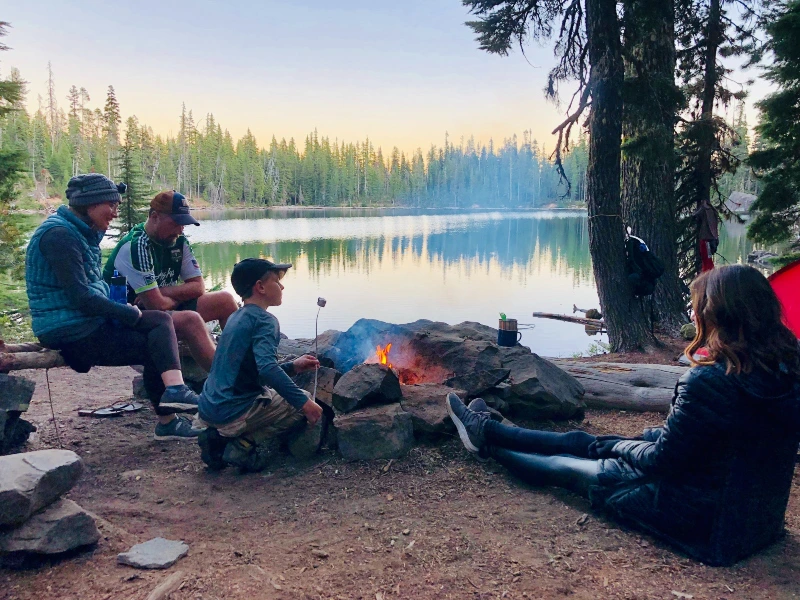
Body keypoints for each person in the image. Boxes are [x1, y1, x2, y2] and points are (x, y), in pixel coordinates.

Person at [446, 264, 800, 566]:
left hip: (699, 521)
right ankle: (487, 428)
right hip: (752, 522)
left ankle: (485, 444)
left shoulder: (710, 381)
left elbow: (661, 461)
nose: (694, 314)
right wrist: (635, 440)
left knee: (565, 467)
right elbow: (717, 444)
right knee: (585, 442)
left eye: (698, 307)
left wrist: (617, 446)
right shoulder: (788, 369)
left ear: (718, 315)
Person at [25, 174, 203, 440]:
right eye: (111, 204)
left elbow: (91, 290)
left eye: (118, 204)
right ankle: (170, 415)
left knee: (160, 322)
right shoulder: (59, 236)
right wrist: (128, 312)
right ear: (90, 204)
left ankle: (174, 396)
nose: (115, 212)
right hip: (68, 328)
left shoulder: (79, 232)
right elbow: (81, 297)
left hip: (83, 322)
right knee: (156, 338)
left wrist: (122, 308)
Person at [195, 258, 325, 472]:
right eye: (277, 280)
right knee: (302, 404)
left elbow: (252, 370)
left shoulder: (235, 317)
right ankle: (242, 444)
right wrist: (304, 403)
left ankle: (215, 437)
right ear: (261, 287)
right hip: (232, 412)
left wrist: (293, 366)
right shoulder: (265, 321)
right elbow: (267, 369)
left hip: (208, 408)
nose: (282, 286)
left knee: (278, 393)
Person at [103, 190, 238, 371]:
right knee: (191, 320)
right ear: (154, 216)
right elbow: (156, 305)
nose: (181, 230)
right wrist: (167, 296)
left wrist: (164, 293)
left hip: (157, 309)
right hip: (125, 318)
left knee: (225, 301)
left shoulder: (178, 242)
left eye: (184, 224)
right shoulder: (136, 246)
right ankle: (229, 382)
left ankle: (241, 364)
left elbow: (198, 287)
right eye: (176, 223)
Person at [694, 198, 720, 272]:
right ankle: (709, 272)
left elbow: (695, 215)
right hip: (711, 239)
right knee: (708, 259)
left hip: (706, 239)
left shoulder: (704, 209)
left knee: (706, 259)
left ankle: (707, 273)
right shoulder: (713, 211)